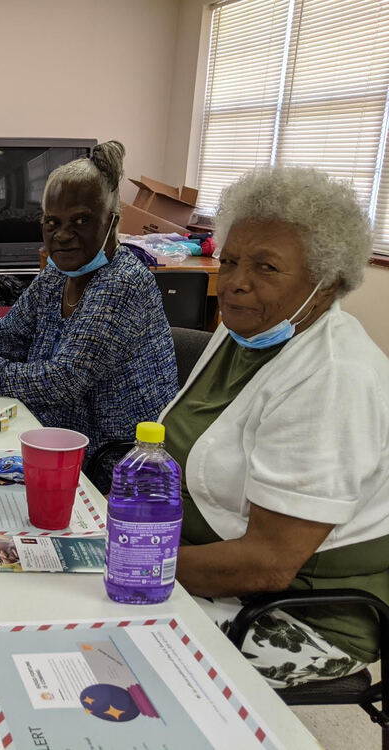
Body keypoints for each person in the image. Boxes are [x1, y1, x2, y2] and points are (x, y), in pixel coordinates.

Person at [160, 166, 389, 688]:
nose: (236, 281)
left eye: (266, 267)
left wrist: (133, 557)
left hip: (297, 612)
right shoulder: (246, 329)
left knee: (107, 642)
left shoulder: (333, 377)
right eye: (232, 259)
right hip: (207, 567)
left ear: (327, 281)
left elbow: (268, 564)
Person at [0, 141, 177, 485]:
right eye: (52, 222)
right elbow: (10, 334)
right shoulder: (58, 273)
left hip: (115, 464)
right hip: (57, 435)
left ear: (111, 220)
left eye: (81, 220)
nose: (64, 235)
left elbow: (61, 381)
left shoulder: (123, 283)